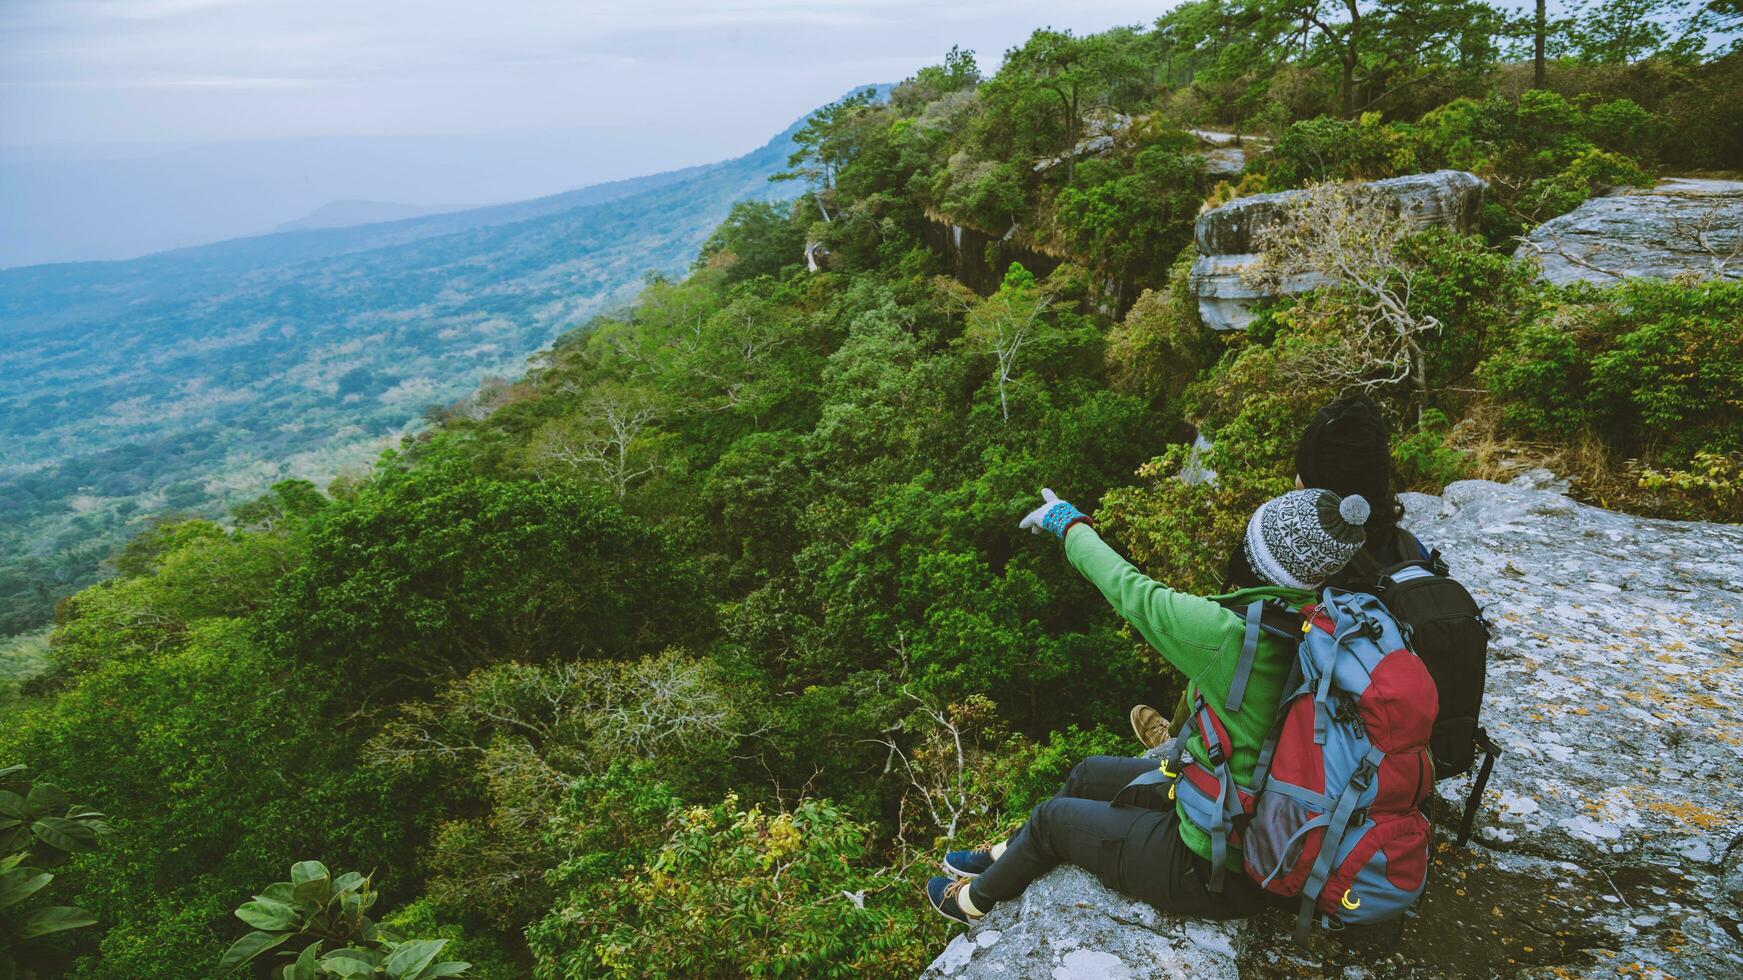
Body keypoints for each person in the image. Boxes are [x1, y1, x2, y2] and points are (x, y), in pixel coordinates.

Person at [925, 484, 1372, 925]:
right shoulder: (1326, 622)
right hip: (1249, 808)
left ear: (1258, 557)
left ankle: (973, 903)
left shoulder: (1234, 637)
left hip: (1215, 866)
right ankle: (1005, 854)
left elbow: (1131, 591)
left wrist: (1068, 523)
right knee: (1088, 773)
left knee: (1053, 821)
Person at [1129, 392, 1425, 750]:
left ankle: (1176, 739)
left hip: (1319, 748)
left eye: (1305, 476)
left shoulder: (1316, 570)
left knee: (1231, 634)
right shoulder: (1410, 550)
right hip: (1403, 734)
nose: (1296, 481)